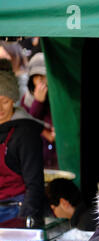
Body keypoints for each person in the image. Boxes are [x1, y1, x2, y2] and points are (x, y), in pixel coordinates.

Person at [0, 59, 46, 228]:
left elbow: (34, 183)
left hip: (16, 210)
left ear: (13, 100)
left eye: (5, 101)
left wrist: (27, 219)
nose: (0, 108)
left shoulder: (25, 132)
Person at [20, 52, 58, 169]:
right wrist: (38, 102)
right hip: (37, 159)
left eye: (43, 76)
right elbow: (28, 127)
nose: (41, 81)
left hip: (57, 159)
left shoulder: (57, 98)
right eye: (37, 77)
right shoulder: (27, 100)